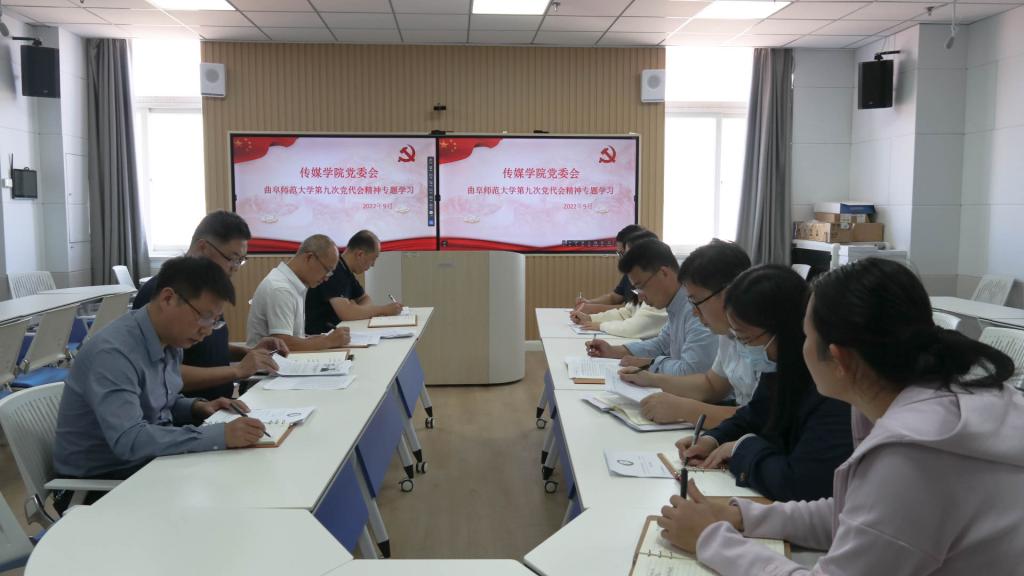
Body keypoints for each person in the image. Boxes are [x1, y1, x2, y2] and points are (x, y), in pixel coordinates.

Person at [656, 258, 1024, 575]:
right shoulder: (930, 397)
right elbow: (855, 515)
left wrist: (710, 539)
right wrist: (743, 517)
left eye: (805, 336)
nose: (799, 348)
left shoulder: (912, 451)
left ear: (839, 359)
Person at [53, 257, 268, 505]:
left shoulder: (170, 340)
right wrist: (219, 435)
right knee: (221, 498)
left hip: (146, 465)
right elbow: (130, 440)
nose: (208, 330)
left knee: (238, 482)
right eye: (204, 317)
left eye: (215, 320)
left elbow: (159, 401)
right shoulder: (113, 354)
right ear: (168, 299)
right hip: (98, 486)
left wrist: (198, 407)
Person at [675, 265, 853, 502]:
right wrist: (713, 439)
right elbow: (754, 414)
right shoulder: (779, 367)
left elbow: (800, 484)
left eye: (745, 339)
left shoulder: (831, 391)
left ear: (787, 331)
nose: (743, 348)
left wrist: (740, 449)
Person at [133, 210, 286, 401]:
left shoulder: (208, 291)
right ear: (203, 248)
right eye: (232, 258)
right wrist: (237, 370)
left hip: (217, 405)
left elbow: (203, 349)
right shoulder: (163, 293)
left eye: (241, 260)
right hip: (186, 410)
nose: (235, 267)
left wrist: (249, 354)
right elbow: (159, 373)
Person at [619, 239, 753, 428]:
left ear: (728, 294)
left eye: (696, 301)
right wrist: (651, 378)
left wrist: (685, 409)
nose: (695, 312)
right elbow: (711, 385)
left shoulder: (767, 342)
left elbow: (761, 418)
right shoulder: (728, 334)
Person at [586, 239, 717, 376]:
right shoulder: (676, 304)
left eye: (641, 287)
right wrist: (613, 351)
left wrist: (650, 364)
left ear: (663, 273)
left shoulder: (696, 308)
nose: (640, 297)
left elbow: (692, 372)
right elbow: (661, 344)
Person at [246, 234, 352, 351]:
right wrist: (328, 341)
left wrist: (315, 339)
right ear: (309, 258)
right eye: (327, 270)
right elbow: (283, 344)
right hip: (269, 362)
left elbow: (293, 337)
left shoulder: (294, 283)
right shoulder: (281, 289)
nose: (327, 278)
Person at [570, 230, 668, 339]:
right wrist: (590, 319)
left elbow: (635, 328)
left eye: (627, 255)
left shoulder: (660, 289)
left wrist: (600, 325)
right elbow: (626, 312)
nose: (624, 259)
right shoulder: (642, 278)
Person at [305, 230, 402, 334]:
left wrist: (356, 310)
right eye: (373, 259)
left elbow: (365, 298)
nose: (373, 264)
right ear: (360, 254)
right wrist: (383, 310)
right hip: (320, 336)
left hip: (337, 334)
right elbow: (347, 314)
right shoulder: (335, 270)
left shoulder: (347, 271)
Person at [574, 224, 646, 314]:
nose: (620, 258)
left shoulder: (648, 276)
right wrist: (589, 302)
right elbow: (614, 297)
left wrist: (593, 309)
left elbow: (633, 310)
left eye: (623, 253)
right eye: (618, 253)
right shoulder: (630, 272)